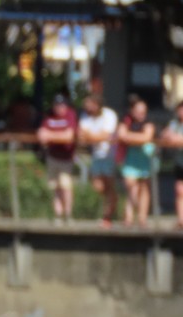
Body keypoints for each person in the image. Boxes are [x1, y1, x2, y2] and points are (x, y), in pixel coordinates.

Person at [77, 95, 120, 227]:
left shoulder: (109, 115)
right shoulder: (85, 116)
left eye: (90, 104)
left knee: (108, 185)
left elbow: (105, 135)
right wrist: (94, 137)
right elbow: (80, 135)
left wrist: (90, 136)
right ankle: (108, 209)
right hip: (96, 154)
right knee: (98, 186)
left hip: (109, 154)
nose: (87, 108)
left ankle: (108, 215)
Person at [37, 94, 78, 224]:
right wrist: (58, 135)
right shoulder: (48, 116)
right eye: (56, 105)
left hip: (66, 158)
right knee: (55, 187)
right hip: (52, 157)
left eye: (62, 105)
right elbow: (42, 135)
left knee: (66, 187)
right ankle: (58, 216)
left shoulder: (70, 115)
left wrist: (52, 136)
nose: (59, 108)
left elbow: (68, 136)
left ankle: (68, 215)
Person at [117, 97, 155, 228]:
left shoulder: (149, 122)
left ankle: (142, 218)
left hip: (144, 159)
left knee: (144, 189)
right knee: (131, 187)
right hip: (130, 159)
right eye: (138, 111)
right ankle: (128, 217)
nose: (141, 115)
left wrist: (130, 137)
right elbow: (121, 135)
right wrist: (138, 138)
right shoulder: (125, 120)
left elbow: (147, 137)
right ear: (132, 111)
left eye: (143, 112)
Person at [159, 100, 183, 230]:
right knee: (179, 191)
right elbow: (164, 136)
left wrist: (177, 139)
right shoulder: (174, 124)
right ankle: (181, 220)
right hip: (180, 163)